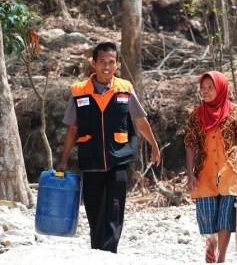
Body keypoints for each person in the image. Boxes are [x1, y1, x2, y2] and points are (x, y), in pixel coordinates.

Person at [57, 41, 161, 253]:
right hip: (91, 161)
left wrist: (154, 146)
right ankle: (97, 250)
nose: (106, 66)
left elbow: (140, 120)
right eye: (102, 62)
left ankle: (109, 251)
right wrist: (64, 160)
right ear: (93, 63)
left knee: (115, 207)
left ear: (117, 64)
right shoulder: (79, 92)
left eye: (111, 62)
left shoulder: (125, 89)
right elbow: (73, 129)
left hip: (119, 159)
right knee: (94, 210)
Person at [184, 70, 237, 263]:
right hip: (205, 171)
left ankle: (222, 259)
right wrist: (190, 173)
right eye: (203, 87)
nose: (206, 91)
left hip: (231, 171)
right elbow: (190, 143)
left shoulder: (234, 111)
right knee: (208, 218)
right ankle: (212, 240)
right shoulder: (196, 115)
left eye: (211, 87)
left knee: (226, 217)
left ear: (221, 88)